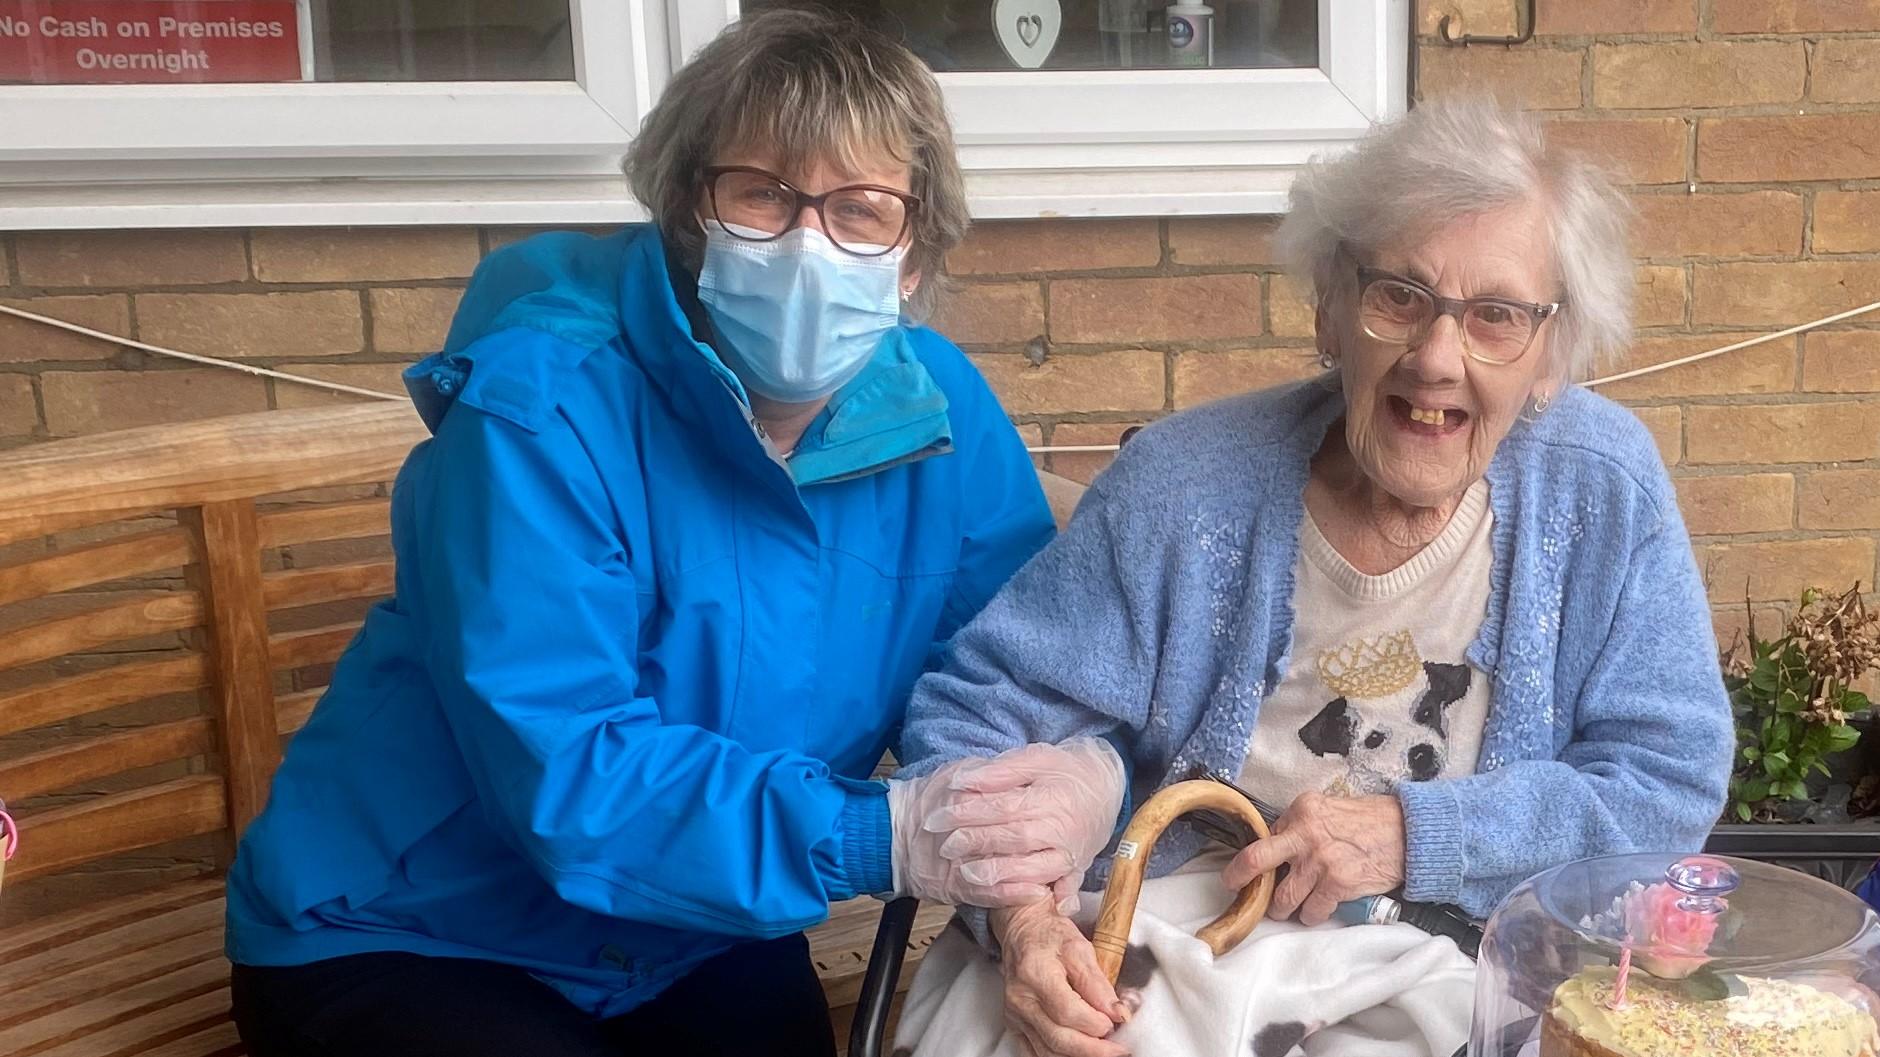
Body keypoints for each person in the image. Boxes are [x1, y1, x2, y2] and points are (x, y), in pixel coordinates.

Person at [223, 12, 1106, 1057]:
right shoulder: (540, 405)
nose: (807, 242)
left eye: (860, 210)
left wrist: (1075, 790)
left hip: (696, 920)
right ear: (688, 209)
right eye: (761, 194)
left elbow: (1011, 666)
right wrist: (885, 833)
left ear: (913, 258)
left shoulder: (938, 413)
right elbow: (566, 763)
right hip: (419, 925)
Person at [893, 100, 1735, 1057]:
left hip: (1465, 971)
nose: (1435, 358)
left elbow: (1664, 781)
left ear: (1552, 353)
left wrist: (1413, 833)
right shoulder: (1183, 487)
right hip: (1173, 952)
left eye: (1496, 316)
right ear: (1332, 312)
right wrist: (1026, 928)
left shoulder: (1603, 489)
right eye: (1399, 297)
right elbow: (972, 720)